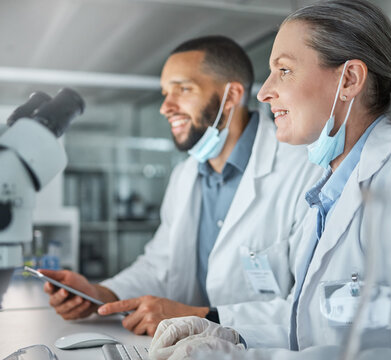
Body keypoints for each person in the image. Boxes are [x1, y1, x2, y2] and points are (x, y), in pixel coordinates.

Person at [148, 1, 391, 359]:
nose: (264, 91)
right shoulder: (334, 187)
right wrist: (227, 331)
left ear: (349, 80)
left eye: (283, 70)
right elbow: (309, 322)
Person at [41, 35, 321, 337]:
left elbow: (309, 309)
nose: (166, 107)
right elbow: (159, 266)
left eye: (183, 89)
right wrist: (100, 294)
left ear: (231, 97)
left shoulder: (303, 169)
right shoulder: (185, 175)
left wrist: (198, 317)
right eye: (165, 93)